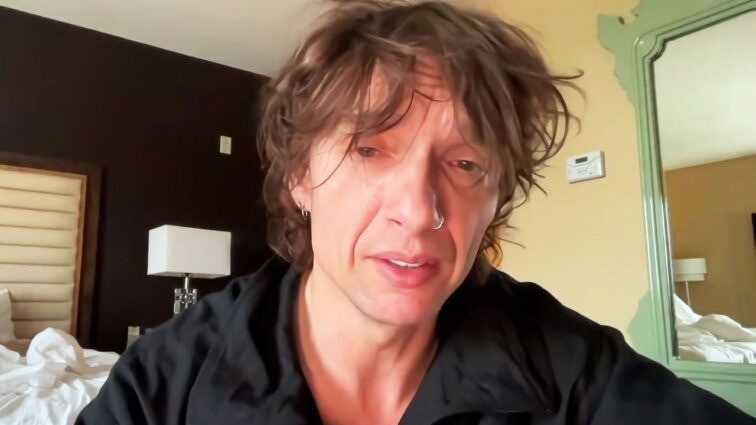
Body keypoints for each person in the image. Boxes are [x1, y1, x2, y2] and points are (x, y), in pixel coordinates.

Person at [77, 1, 755, 424]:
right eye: (371, 149)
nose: (420, 209)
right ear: (299, 177)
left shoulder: (570, 366)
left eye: (465, 164)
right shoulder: (166, 380)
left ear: (496, 198)